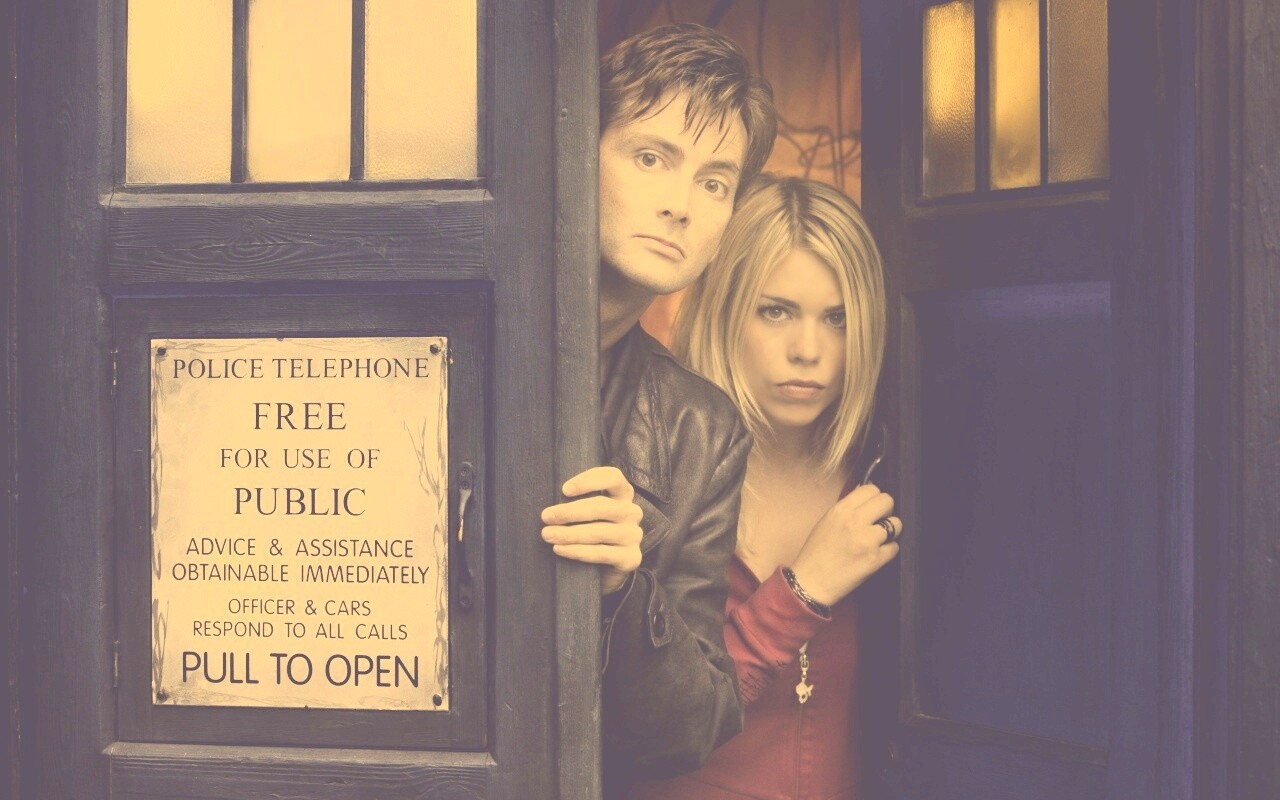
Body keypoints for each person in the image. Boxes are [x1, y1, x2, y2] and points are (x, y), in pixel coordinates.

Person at [536, 23, 777, 792]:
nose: (680, 206)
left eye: (714, 182)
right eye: (651, 158)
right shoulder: (448, 342)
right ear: (576, 154)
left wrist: (622, 587)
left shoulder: (702, 426)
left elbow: (690, 730)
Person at [630, 175, 902, 799]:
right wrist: (800, 593)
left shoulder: (888, 474)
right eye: (775, 311)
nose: (808, 349)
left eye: (837, 318)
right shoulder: (652, 476)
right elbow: (646, 719)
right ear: (726, 311)